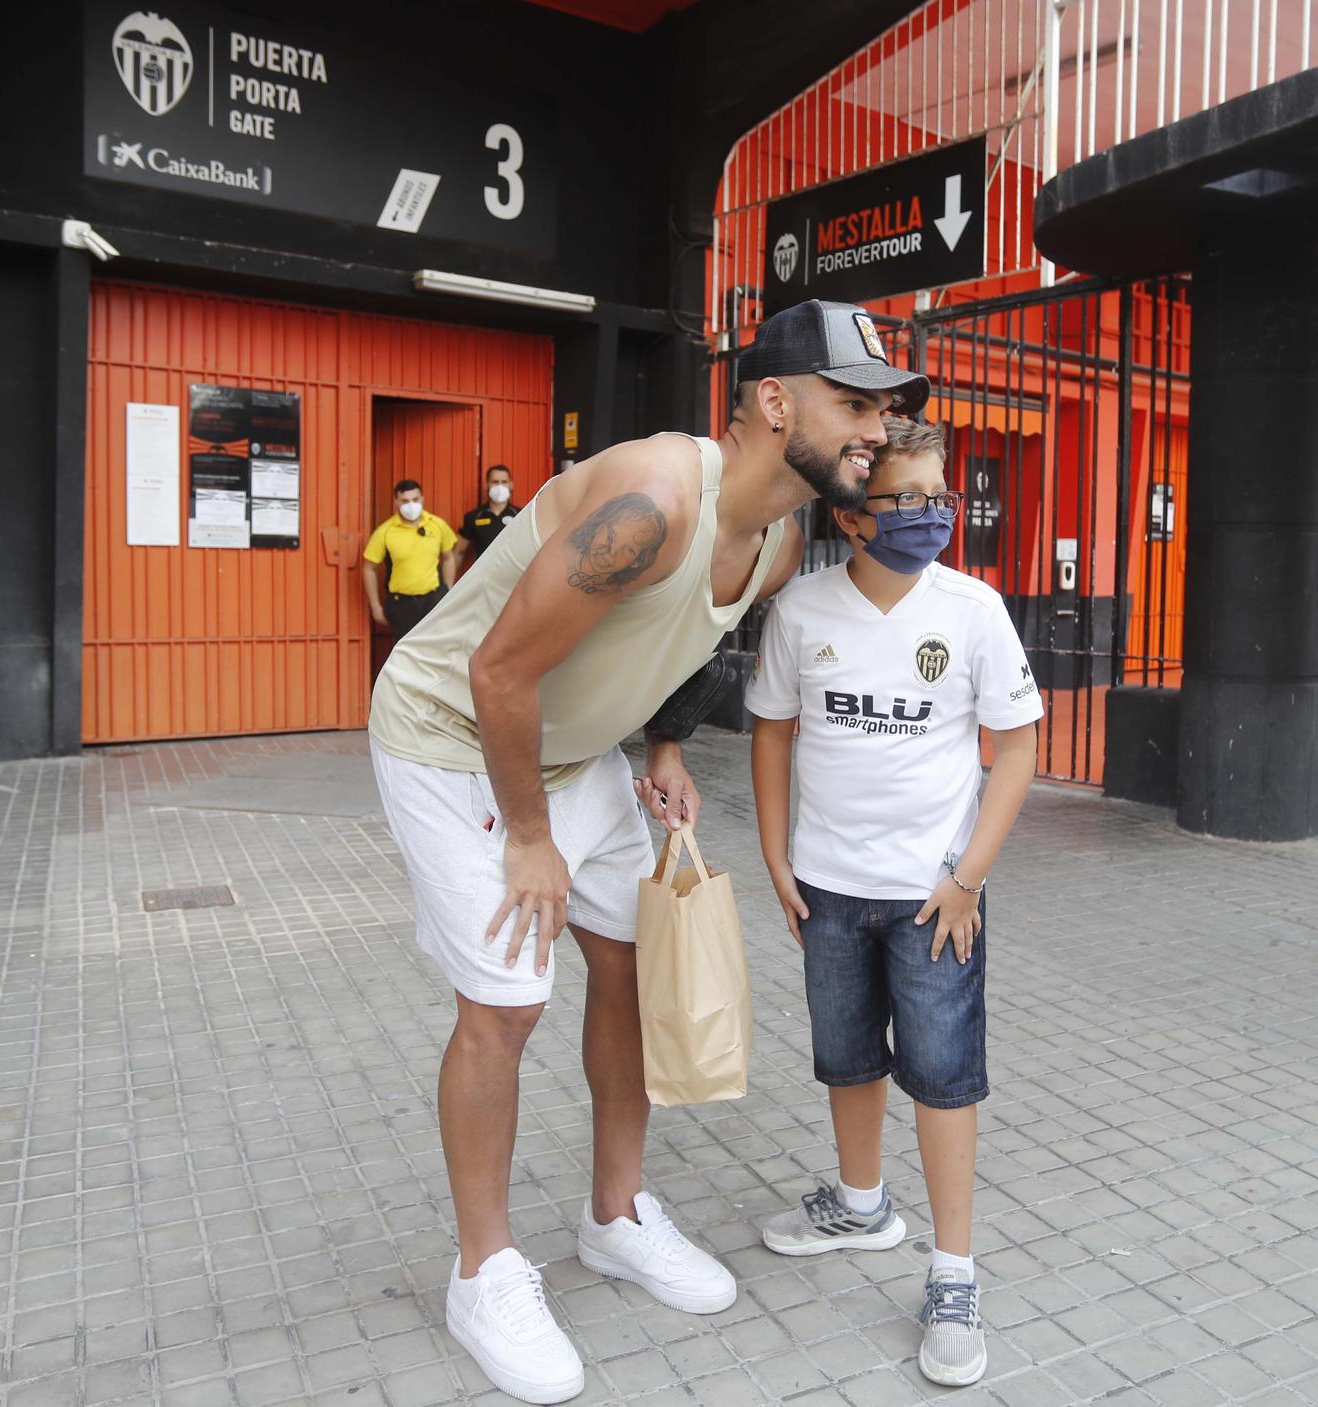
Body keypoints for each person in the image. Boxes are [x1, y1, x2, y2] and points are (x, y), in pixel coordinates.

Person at [367, 300, 927, 1404]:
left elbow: (685, 644)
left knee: (627, 957)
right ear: (775, 402)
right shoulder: (654, 497)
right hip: (450, 742)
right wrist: (529, 840)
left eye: (883, 407)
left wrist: (664, 744)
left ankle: (613, 1218)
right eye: (853, 402)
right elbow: (494, 676)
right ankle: (483, 1272)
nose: (876, 426)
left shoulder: (773, 541)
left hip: (568, 754)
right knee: (507, 1004)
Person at [746, 416, 1041, 1390]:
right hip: (828, 887)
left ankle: (951, 1274)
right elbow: (774, 732)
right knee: (845, 1056)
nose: (927, 517)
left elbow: (1018, 749)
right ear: (851, 517)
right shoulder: (801, 612)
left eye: (937, 498)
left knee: (944, 1076)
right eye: (902, 500)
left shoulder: (972, 611)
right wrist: (776, 855)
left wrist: (967, 877)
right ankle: (861, 1204)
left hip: (933, 901)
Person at [364, 479, 461, 640]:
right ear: (396, 502)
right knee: (407, 653)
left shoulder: (437, 525)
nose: (411, 505)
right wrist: (375, 606)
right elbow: (369, 568)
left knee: (436, 648)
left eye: (415, 500)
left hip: (433, 599)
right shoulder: (385, 531)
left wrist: (447, 591)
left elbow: (448, 557)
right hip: (402, 604)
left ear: (422, 498)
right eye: (405, 501)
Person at [459, 464, 521, 570]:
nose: (500, 486)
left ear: (511, 485)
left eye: (504, 482)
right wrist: (450, 584)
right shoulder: (473, 517)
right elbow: (458, 553)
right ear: (486, 485)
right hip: (483, 579)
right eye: (495, 482)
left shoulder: (520, 515)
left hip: (513, 578)